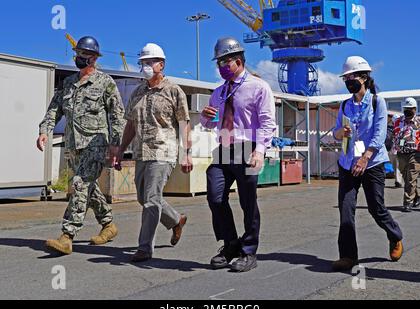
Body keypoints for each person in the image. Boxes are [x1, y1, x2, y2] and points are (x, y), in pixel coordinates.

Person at [37, 36, 126, 255]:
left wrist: (116, 145)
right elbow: (54, 110)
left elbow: (117, 115)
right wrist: (44, 130)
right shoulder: (68, 83)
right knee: (87, 187)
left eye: (83, 54)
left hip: (96, 143)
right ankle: (108, 224)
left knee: (79, 183)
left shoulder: (105, 82)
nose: (78, 57)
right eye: (77, 53)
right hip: (74, 144)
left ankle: (67, 236)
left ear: (94, 58)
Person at [200, 37, 276, 272]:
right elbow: (210, 123)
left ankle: (249, 250)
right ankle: (231, 243)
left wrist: (260, 151)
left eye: (225, 62)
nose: (221, 67)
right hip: (223, 150)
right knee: (215, 197)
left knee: (248, 201)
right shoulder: (218, 92)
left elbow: (267, 123)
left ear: (239, 61)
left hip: (248, 149)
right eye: (219, 63)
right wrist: (205, 117)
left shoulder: (258, 87)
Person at [118, 43, 193, 262]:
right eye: (143, 63)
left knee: (151, 199)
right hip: (142, 152)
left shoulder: (173, 90)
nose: (146, 66)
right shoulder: (137, 92)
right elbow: (130, 124)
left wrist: (186, 153)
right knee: (144, 198)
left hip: (163, 151)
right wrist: (121, 149)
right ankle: (176, 220)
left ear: (161, 64)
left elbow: (183, 123)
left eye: (150, 62)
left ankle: (144, 248)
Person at [332, 56, 403, 271]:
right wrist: (340, 132)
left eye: (350, 77)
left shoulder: (376, 102)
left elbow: (380, 134)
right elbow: (336, 134)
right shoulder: (345, 105)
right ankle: (348, 256)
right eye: (345, 78)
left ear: (363, 77)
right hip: (347, 163)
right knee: (346, 210)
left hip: (372, 163)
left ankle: (395, 235)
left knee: (376, 208)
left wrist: (365, 159)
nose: (347, 81)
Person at [393, 97, 420, 212]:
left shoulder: (419, 122)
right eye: (405, 108)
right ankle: (417, 196)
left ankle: (407, 202)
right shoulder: (398, 121)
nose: (407, 111)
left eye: (410, 109)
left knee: (411, 178)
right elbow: (395, 135)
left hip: (416, 154)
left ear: (415, 109)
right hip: (401, 153)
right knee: (407, 177)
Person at [386, 112, 403, 188]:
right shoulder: (389, 128)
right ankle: (398, 180)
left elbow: (403, 139)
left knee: (397, 166)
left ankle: (398, 181)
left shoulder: (400, 128)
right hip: (392, 149)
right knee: (395, 166)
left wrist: (401, 146)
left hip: (397, 149)